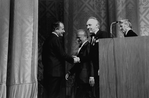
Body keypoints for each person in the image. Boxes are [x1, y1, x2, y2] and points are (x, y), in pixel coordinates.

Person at [42, 21, 80, 98]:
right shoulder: (55, 39)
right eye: (62, 29)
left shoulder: (48, 39)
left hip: (49, 72)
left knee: (50, 94)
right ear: (56, 29)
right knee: (53, 95)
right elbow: (62, 54)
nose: (64, 31)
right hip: (55, 73)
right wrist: (73, 60)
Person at [65, 29, 95, 98]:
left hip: (85, 77)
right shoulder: (81, 47)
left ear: (85, 36)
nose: (77, 40)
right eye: (77, 37)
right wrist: (70, 72)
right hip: (81, 77)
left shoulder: (88, 46)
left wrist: (91, 75)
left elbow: (91, 60)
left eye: (79, 37)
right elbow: (79, 63)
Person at [86, 17, 110, 98]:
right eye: (87, 25)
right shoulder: (92, 37)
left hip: (103, 70)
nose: (87, 27)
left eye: (89, 25)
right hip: (96, 70)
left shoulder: (103, 35)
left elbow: (107, 52)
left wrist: (102, 67)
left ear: (97, 26)